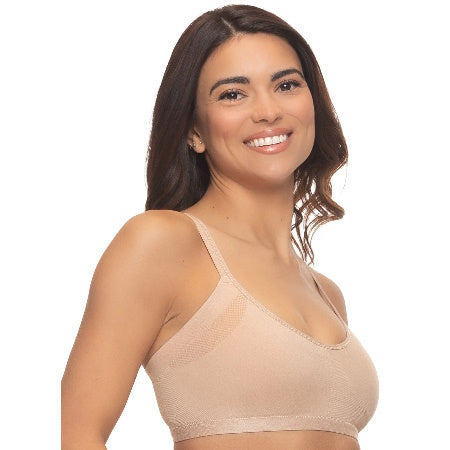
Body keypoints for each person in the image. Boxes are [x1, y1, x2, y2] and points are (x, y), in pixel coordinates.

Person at [61, 4, 378, 449]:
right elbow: (78, 433)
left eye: (286, 85)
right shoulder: (162, 243)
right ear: (194, 131)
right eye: (233, 94)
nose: (268, 111)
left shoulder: (327, 295)